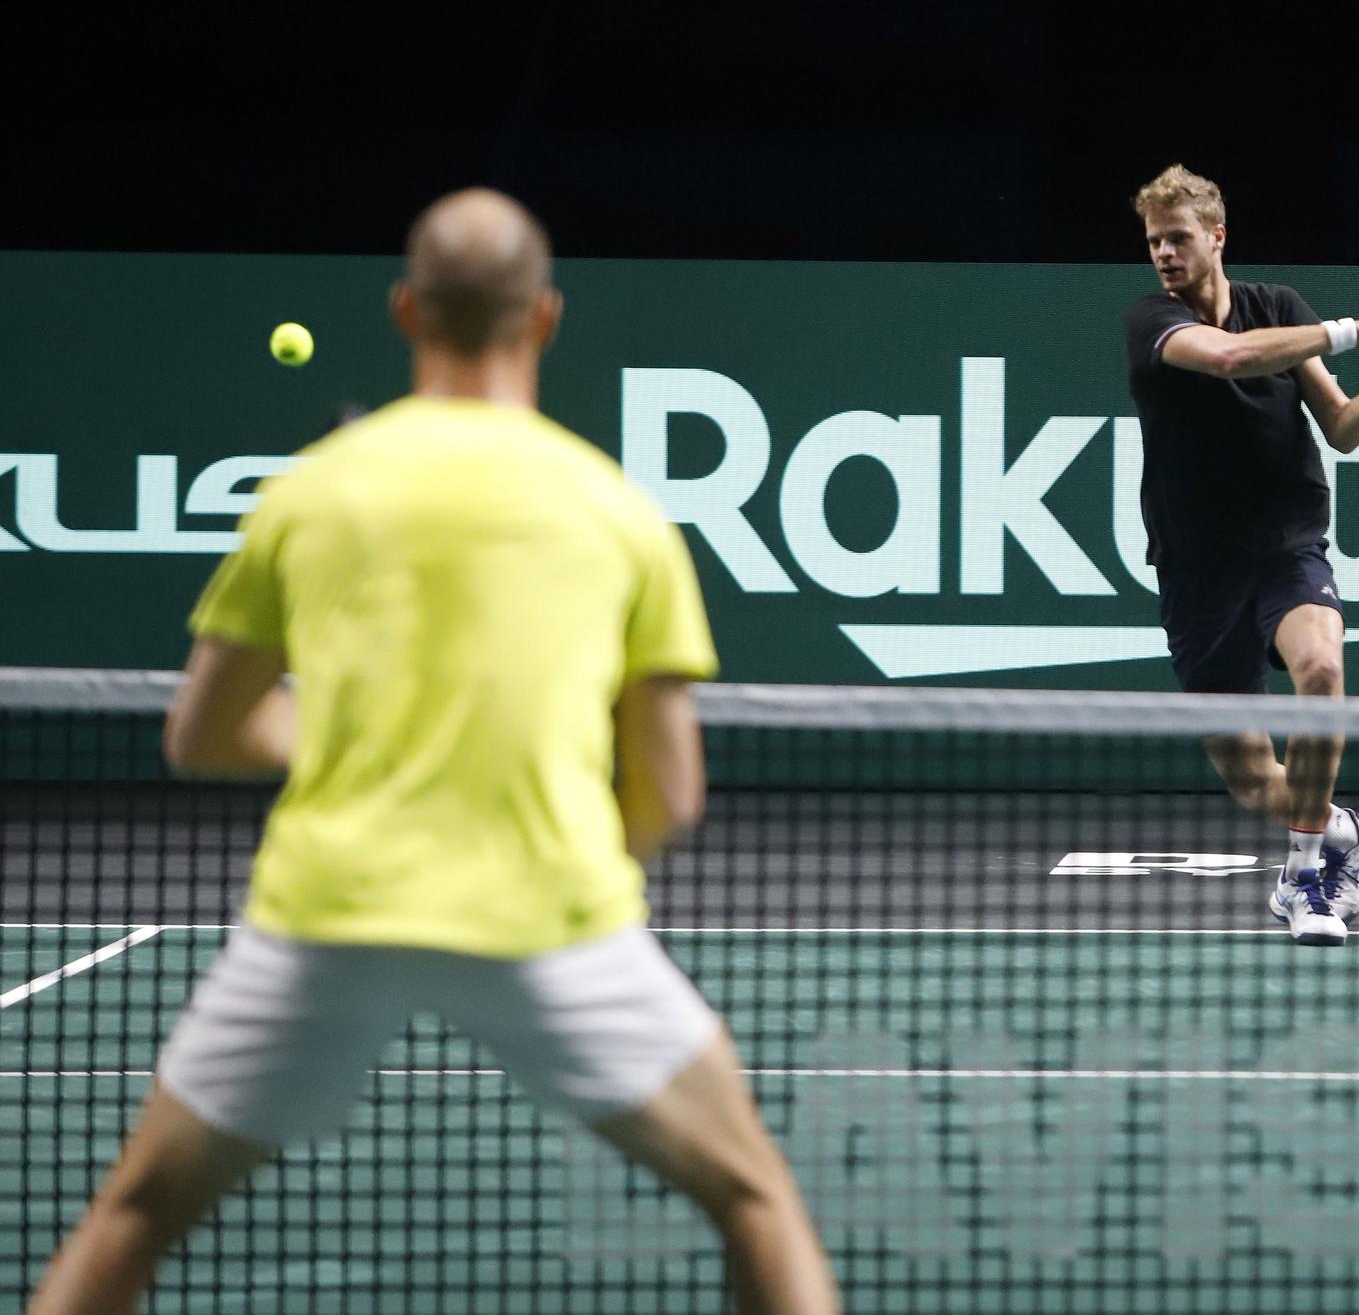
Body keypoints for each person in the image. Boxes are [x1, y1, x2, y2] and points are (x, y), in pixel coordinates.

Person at [30, 189, 840, 1315]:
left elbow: (203, 736)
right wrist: (586, 865)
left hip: (327, 914)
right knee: (753, 1198)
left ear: (405, 310)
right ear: (545, 318)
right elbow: (669, 791)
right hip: (547, 911)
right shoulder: (617, 511)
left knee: (133, 1215)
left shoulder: (306, 496)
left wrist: (357, 741)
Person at [1123, 165, 1359, 947]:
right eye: (1154, 242)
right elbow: (1234, 360)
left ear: (1216, 237)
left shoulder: (1279, 306)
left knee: (1323, 670)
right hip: (1197, 570)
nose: (1165, 254)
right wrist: (1358, 330)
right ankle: (1345, 830)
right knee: (1252, 779)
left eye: (1179, 238)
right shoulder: (1151, 322)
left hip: (1287, 548)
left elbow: (1339, 428)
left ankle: (1307, 875)